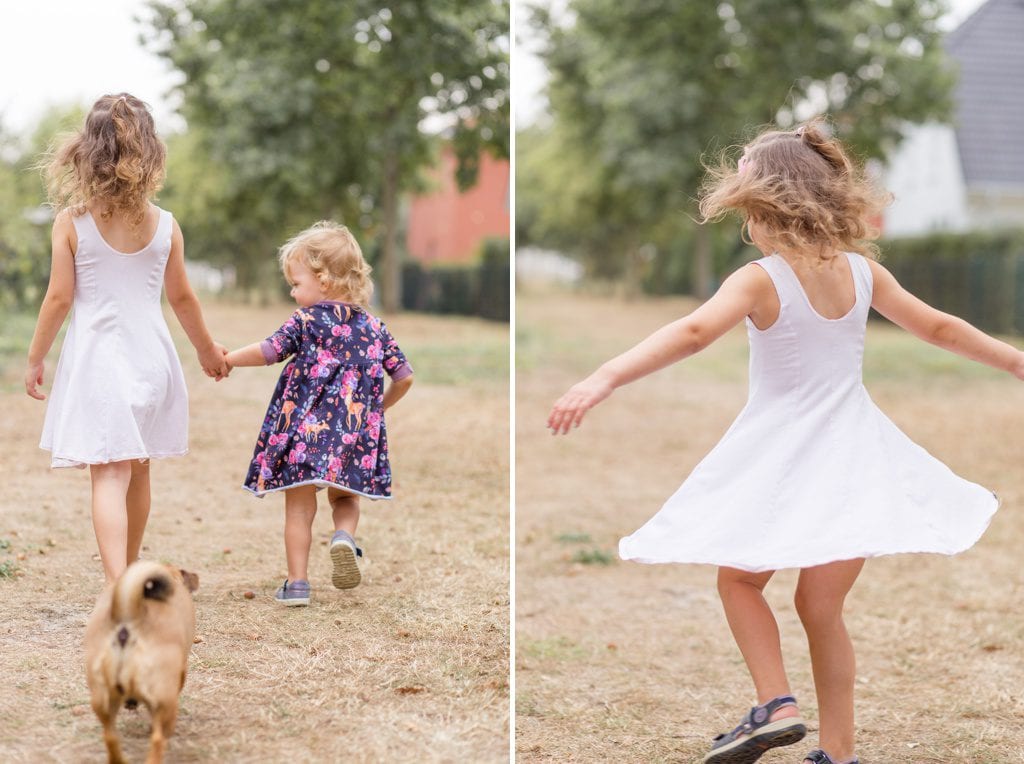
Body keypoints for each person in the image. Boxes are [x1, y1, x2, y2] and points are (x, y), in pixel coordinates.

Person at [547, 121, 1023, 764]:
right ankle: (840, 753)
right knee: (821, 608)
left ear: (765, 205)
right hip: (856, 455)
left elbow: (691, 334)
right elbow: (938, 327)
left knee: (740, 582)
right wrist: (1016, 362)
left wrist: (604, 376)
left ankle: (776, 704)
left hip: (783, 451)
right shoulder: (861, 273)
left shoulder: (760, 279)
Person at [25, 93, 229, 583]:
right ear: (150, 151)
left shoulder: (72, 222)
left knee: (108, 473)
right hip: (152, 360)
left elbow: (58, 299)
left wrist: (35, 357)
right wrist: (207, 351)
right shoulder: (166, 225)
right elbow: (182, 299)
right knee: (138, 469)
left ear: (87, 151)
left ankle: (120, 585)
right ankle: (132, 572)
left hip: (100, 360)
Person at [224, 221, 414, 607]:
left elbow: (268, 351)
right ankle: (344, 537)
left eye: (296, 283)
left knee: (298, 507)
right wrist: (376, 410)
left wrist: (227, 359)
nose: (293, 292)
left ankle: (297, 584)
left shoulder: (307, 321)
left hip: (304, 433)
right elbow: (405, 377)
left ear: (323, 280)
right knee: (345, 499)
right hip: (355, 434)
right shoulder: (376, 328)